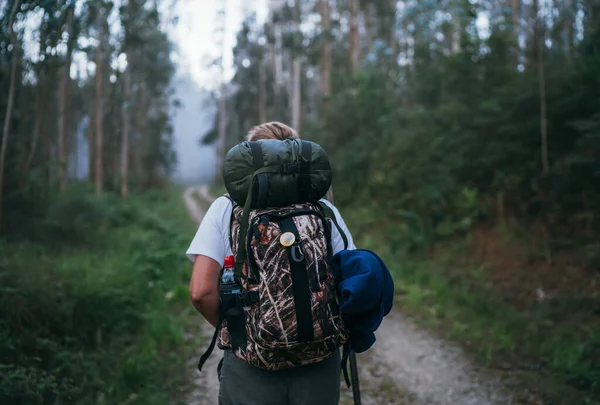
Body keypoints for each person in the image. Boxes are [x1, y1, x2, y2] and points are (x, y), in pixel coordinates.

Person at [186, 122, 356, 405]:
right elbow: (351, 281)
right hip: (319, 362)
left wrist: (242, 334)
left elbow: (201, 293)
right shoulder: (324, 209)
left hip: (251, 366)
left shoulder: (225, 207)